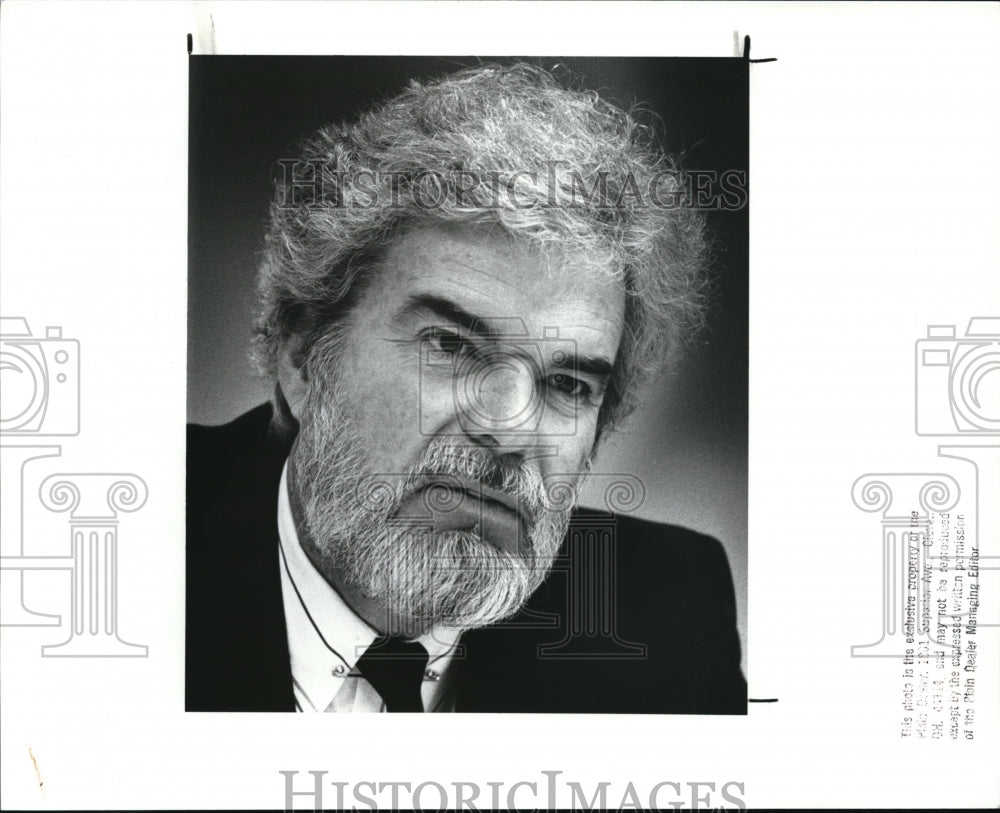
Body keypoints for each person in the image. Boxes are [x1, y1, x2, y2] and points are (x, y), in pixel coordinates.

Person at [186, 63, 746, 713]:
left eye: (567, 383)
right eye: (452, 347)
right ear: (303, 356)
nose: (509, 428)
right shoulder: (136, 538)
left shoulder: (667, 617)